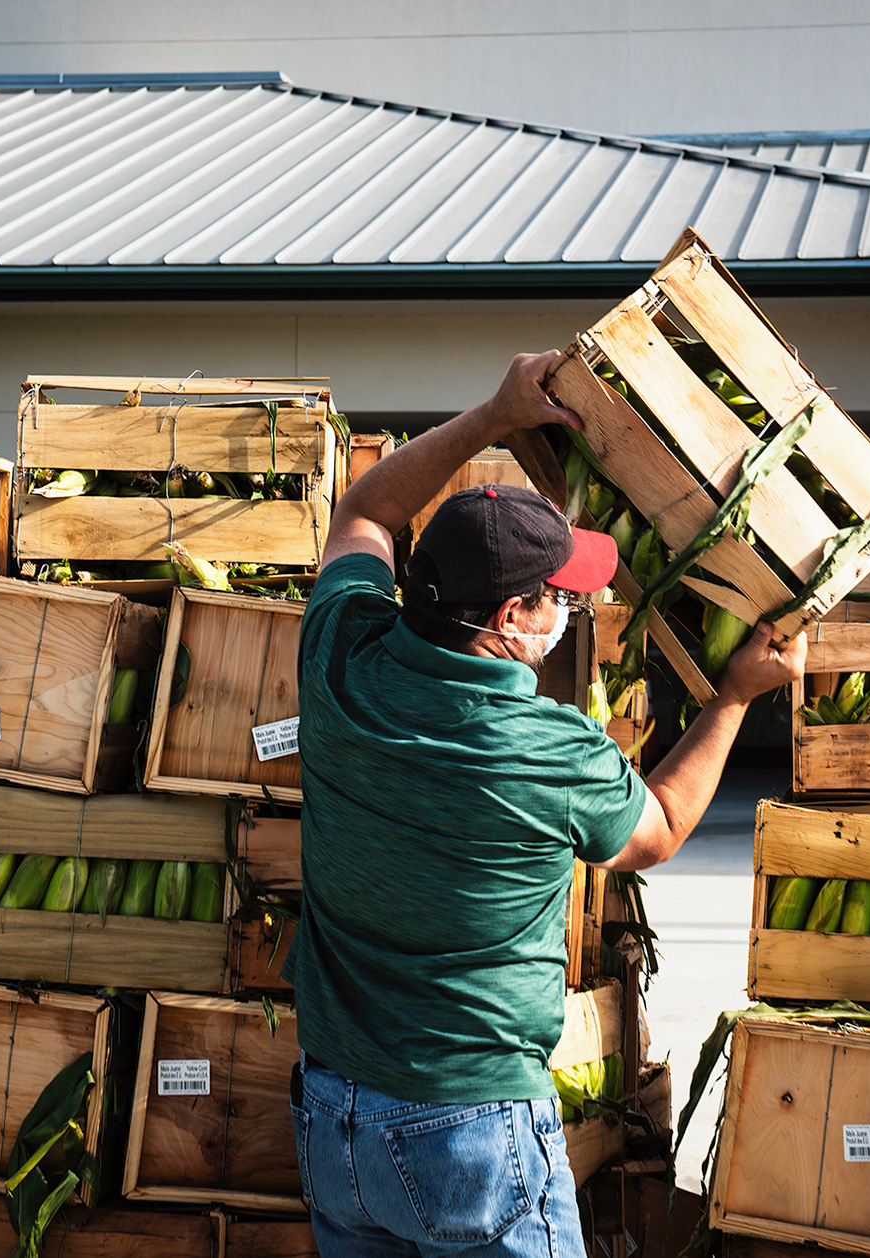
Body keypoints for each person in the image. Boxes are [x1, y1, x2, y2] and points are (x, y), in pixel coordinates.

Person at [288, 349, 807, 1257]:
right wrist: (734, 697)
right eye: (559, 596)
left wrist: (492, 413)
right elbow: (661, 829)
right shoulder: (548, 752)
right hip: (469, 1133)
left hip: (336, 1122)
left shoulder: (340, 659)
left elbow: (366, 508)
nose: (577, 604)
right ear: (508, 620)